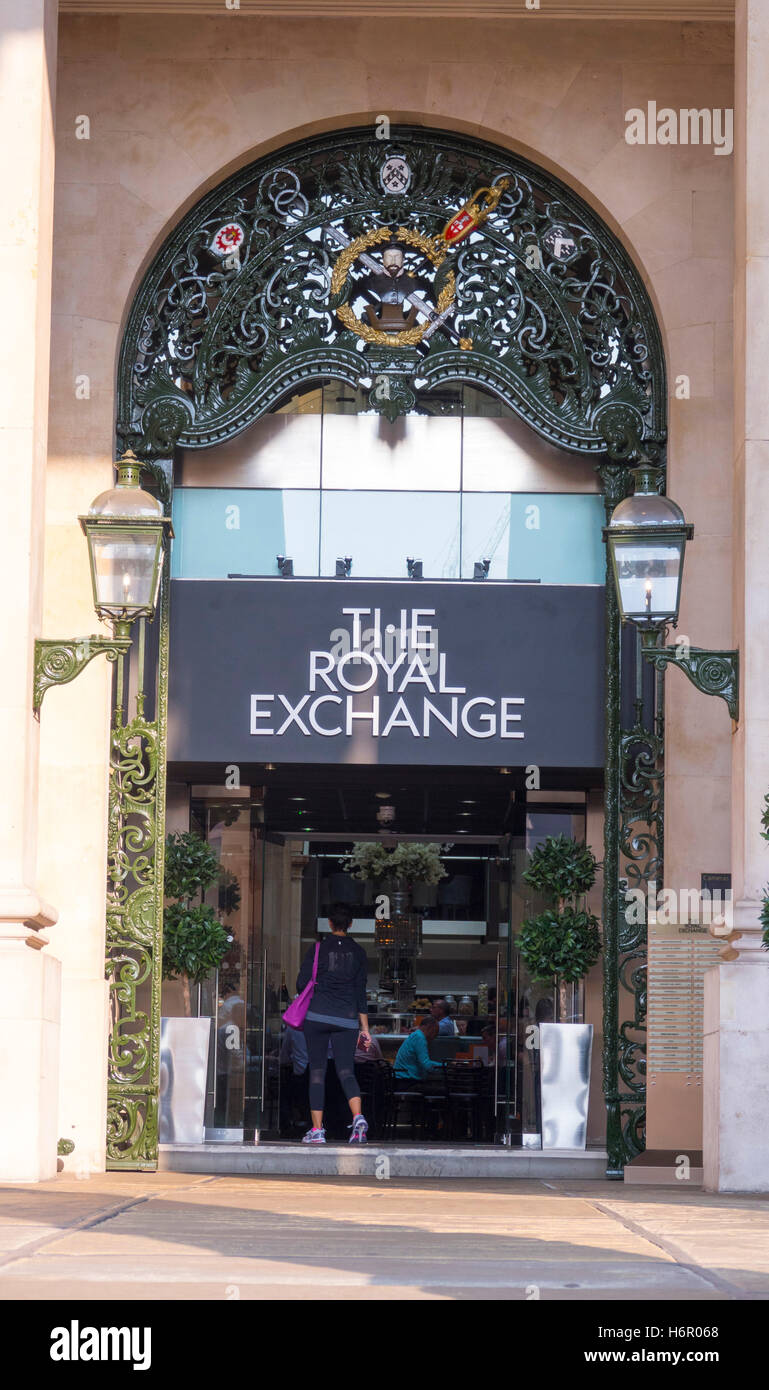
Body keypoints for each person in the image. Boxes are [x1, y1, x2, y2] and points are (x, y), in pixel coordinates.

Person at [296, 901, 371, 1145]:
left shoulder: (317, 949)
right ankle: (358, 1118)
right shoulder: (359, 953)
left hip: (316, 1016)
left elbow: (300, 984)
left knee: (317, 1072)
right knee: (346, 1071)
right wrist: (366, 1030)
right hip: (347, 1019)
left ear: (329, 923)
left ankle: (317, 1131)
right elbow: (361, 993)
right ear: (350, 924)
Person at [394, 1017, 443, 1082]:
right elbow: (427, 1065)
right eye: (435, 1032)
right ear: (430, 1028)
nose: (434, 1037)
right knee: (441, 1090)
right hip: (406, 1081)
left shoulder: (416, 1035)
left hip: (401, 1079)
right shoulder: (420, 1038)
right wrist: (445, 1066)